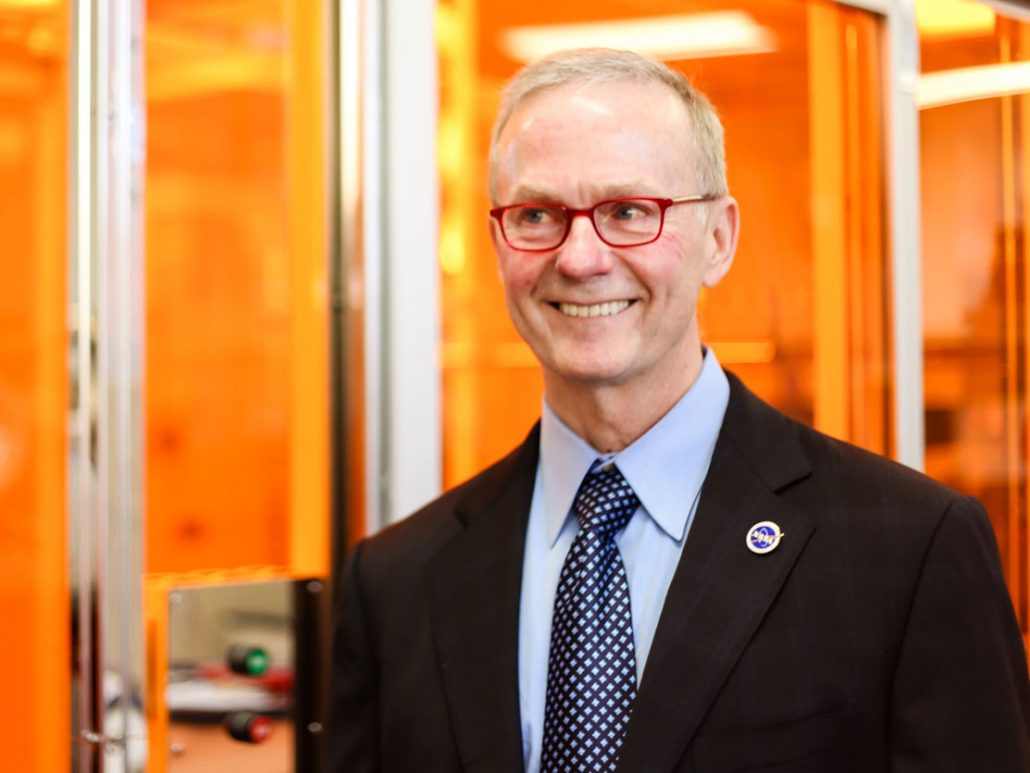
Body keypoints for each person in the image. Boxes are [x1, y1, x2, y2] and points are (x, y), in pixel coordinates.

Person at [329, 48, 1030, 772]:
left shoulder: (909, 551)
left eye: (629, 211)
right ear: (499, 245)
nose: (579, 258)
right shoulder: (396, 583)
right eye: (537, 215)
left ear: (718, 240)